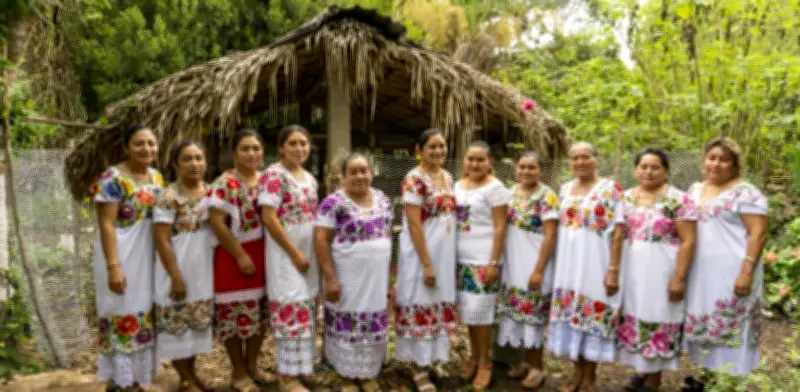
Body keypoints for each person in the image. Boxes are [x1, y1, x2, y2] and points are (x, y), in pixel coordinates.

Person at [682, 137, 768, 391]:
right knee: (707, 322)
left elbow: (758, 234)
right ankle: (708, 378)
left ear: (734, 164)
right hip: (701, 270)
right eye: (712, 158)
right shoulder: (695, 190)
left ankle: (728, 382)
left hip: (734, 270)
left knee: (731, 323)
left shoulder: (746, 193)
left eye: (724, 159)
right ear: (704, 160)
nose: (716, 164)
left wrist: (746, 272)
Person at [617, 148, 697, 392]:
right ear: (635, 170)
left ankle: (653, 382)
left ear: (666, 171)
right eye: (643, 166)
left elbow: (689, 241)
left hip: (662, 271)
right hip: (632, 271)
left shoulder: (678, 199)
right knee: (636, 316)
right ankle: (643, 371)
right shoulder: (627, 197)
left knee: (657, 317)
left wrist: (679, 278)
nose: (648, 172)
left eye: (655, 167)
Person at [547, 141, 625, 392]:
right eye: (575, 158)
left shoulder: (610, 189)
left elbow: (619, 232)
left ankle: (590, 378)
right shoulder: (564, 189)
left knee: (592, 316)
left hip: (596, 263)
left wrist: (613, 270)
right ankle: (576, 374)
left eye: (585, 157)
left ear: (597, 160)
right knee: (571, 316)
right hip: (568, 264)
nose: (580, 162)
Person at [91, 124, 164, 392]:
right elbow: (107, 224)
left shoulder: (157, 177)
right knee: (120, 310)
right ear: (126, 147)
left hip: (146, 256)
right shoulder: (112, 178)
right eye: (139, 143)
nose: (146, 149)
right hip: (120, 253)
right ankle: (119, 380)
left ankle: (135, 378)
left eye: (151, 143)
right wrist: (113, 266)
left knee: (142, 311)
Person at [315, 153, 393, 392]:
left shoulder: (383, 199)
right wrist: (330, 279)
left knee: (372, 318)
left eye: (364, 171)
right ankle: (347, 375)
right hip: (347, 277)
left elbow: (388, 237)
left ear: (371, 173)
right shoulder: (333, 203)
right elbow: (320, 240)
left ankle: (367, 372)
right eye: (354, 172)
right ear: (344, 176)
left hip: (376, 279)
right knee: (346, 320)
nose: (360, 176)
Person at [395, 129, 458, 392]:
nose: (438, 151)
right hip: (422, 252)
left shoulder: (447, 176)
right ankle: (418, 369)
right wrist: (427, 262)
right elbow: (413, 223)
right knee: (420, 298)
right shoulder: (414, 179)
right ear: (418, 149)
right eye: (431, 147)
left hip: (444, 252)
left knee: (437, 301)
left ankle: (431, 359)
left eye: (441, 146)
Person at [258, 125, 320, 392]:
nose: (299, 148)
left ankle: (302, 367)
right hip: (285, 255)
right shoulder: (274, 176)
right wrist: (294, 253)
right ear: (281, 147)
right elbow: (269, 218)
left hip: (309, 255)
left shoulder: (309, 177)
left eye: (303, 144)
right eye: (293, 143)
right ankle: (286, 376)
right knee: (290, 308)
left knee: (306, 309)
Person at [207, 130, 269, 392]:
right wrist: (241, 255)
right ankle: (238, 371)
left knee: (259, 315)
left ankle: (253, 364)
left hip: (264, 255)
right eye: (245, 148)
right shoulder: (224, 183)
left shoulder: (268, 181)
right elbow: (217, 223)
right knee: (233, 317)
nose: (251, 153)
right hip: (233, 257)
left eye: (256, 148)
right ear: (234, 153)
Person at [153, 141, 215, 392]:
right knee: (177, 326)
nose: (194, 164)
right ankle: (187, 378)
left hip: (203, 271)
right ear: (176, 164)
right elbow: (161, 239)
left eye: (198, 158)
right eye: (187, 159)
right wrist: (176, 276)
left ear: (206, 163)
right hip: (176, 268)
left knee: (195, 327)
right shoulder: (168, 197)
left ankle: (190, 374)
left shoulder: (212, 193)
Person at [496, 151, 559, 389]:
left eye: (531, 167)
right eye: (522, 167)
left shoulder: (547, 196)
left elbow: (551, 234)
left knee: (533, 317)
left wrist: (539, 270)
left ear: (540, 170)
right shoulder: (511, 193)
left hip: (534, 263)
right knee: (518, 315)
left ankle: (537, 368)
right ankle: (524, 362)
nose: (525, 172)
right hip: (513, 263)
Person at [454, 141, 509, 389]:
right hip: (460, 259)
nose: (475, 164)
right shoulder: (457, 186)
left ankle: (486, 362)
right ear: (464, 160)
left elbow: (500, 227)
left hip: (483, 259)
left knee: (482, 314)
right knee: (469, 312)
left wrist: (494, 262)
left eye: (480, 160)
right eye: (470, 159)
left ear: (490, 162)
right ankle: (473, 357)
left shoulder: (496, 188)